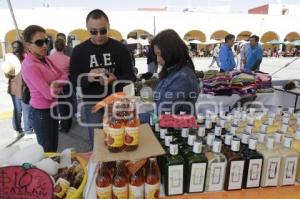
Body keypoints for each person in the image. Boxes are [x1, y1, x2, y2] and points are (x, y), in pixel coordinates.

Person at [69, 9, 135, 149]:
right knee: (98, 142)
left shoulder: (120, 48)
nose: (98, 36)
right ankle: (101, 169)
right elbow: (73, 79)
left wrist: (115, 79)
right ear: (87, 29)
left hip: (117, 101)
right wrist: (89, 78)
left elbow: (130, 77)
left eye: (103, 31)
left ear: (109, 27)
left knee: (118, 139)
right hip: (92, 103)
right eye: (93, 31)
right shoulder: (79, 50)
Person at [21, 25, 68, 152]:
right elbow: (48, 94)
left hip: (52, 110)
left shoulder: (46, 59)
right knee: (48, 153)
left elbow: (65, 75)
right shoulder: (30, 66)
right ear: (28, 45)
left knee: (53, 150)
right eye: (39, 42)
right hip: (41, 114)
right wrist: (57, 86)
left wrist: (55, 84)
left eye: (46, 41)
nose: (45, 45)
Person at [151, 29, 199, 114]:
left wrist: (133, 117)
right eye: (156, 55)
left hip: (177, 125)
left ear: (171, 51)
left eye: (159, 54)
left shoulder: (183, 77)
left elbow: (163, 111)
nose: (158, 60)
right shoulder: (171, 70)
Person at [4, 41, 34, 139]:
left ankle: (17, 130)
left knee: (17, 110)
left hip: (14, 88)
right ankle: (27, 131)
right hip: (22, 88)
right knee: (25, 108)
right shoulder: (25, 59)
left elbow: (7, 74)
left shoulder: (11, 61)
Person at [49, 38, 72, 133]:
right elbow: (71, 72)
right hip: (66, 84)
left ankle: (63, 126)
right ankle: (68, 124)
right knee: (68, 104)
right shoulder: (68, 59)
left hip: (55, 84)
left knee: (60, 106)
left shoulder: (49, 58)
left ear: (55, 46)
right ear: (64, 46)